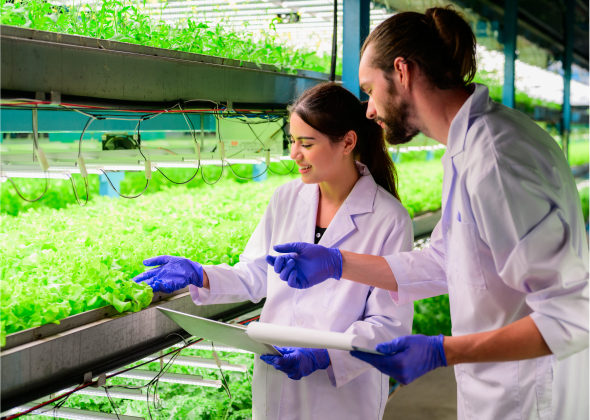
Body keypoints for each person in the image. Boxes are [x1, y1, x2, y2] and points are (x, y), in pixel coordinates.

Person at [267, 6, 590, 420]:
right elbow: (444, 260)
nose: (368, 109)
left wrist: (443, 352)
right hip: (498, 391)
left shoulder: (495, 157)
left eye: (370, 89)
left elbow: (574, 310)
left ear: (402, 72)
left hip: (532, 398)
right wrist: (337, 262)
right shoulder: (467, 147)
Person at [133, 83, 415, 420]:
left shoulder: (388, 219)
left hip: (343, 393)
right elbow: (258, 272)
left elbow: (389, 325)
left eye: (306, 144)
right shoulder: (287, 198)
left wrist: (325, 354)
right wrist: (201, 274)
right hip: (277, 374)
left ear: (348, 142)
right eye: (292, 141)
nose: (294, 154)